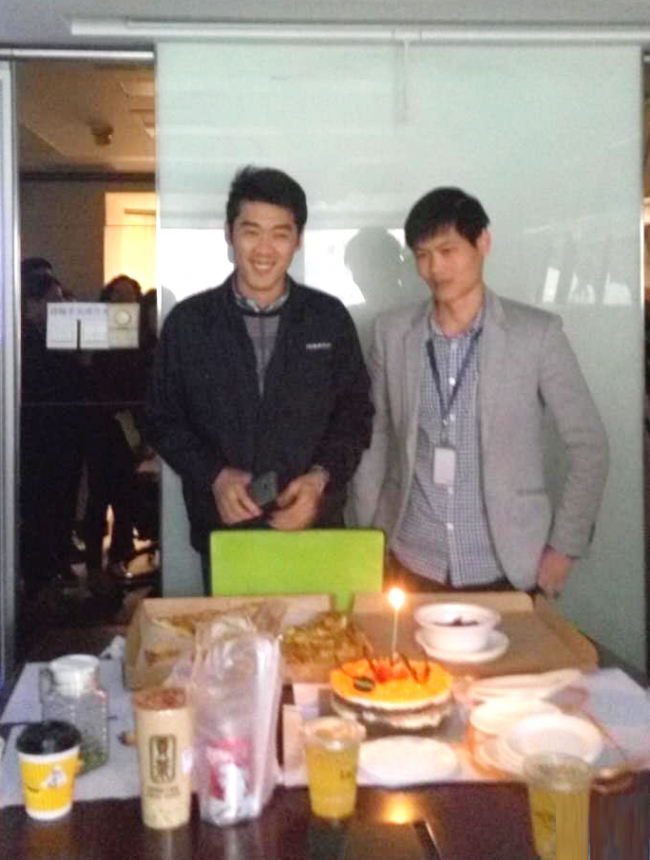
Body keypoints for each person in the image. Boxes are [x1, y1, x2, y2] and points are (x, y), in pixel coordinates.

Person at [349, 187, 609, 597]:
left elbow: (589, 444)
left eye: (447, 250)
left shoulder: (536, 335)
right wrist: (367, 537)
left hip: (507, 565)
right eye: (422, 255)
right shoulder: (392, 333)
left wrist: (565, 546)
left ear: (483, 242)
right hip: (411, 558)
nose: (435, 267)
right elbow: (375, 437)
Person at [145, 166, 373, 592]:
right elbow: (160, 418)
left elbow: (356, 414)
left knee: (317, 633)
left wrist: (320, 479)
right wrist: (214, 475)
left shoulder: (328, 319)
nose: (265, 249)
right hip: (226, 531)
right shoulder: (190, 323)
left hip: (313, 527)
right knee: (235, 635)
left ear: (298, 240)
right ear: (229, 234)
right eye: (251, 231)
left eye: (280, 234)